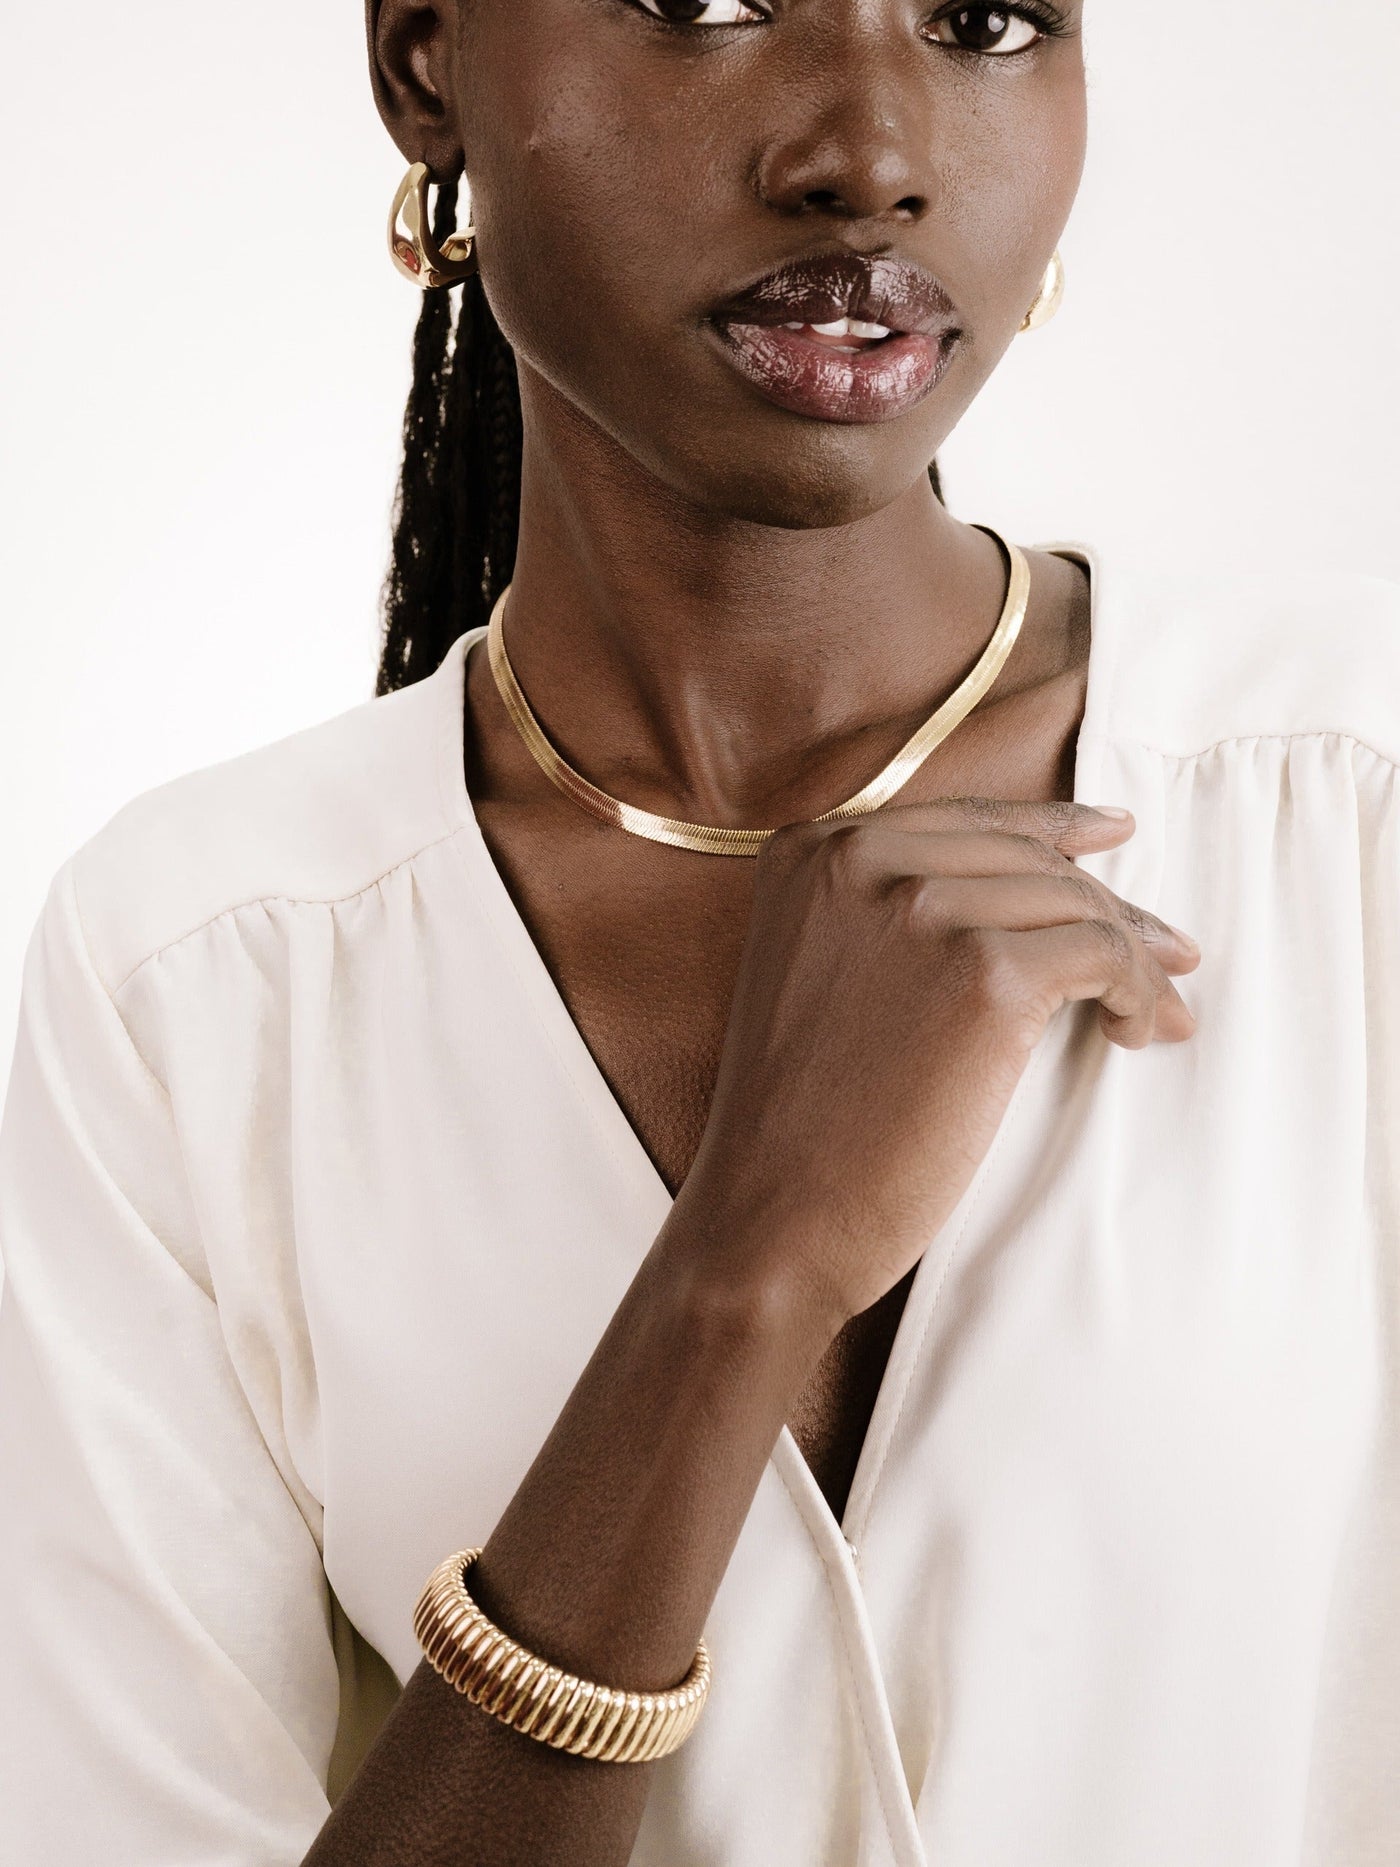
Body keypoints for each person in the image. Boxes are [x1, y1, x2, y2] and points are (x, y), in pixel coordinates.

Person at [1, 1, 1397, 1862]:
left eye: (987, 20)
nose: (872, 151)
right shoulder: (191, 976)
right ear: (427, 65)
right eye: (706, 2)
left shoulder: (1350, 805)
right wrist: (741, 1272)